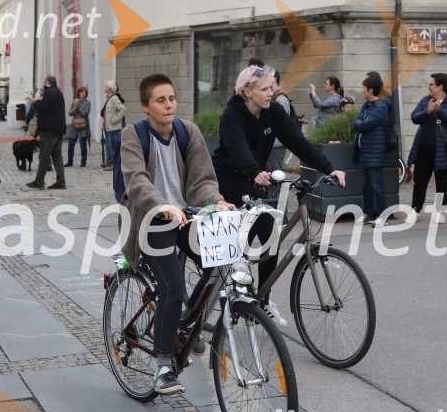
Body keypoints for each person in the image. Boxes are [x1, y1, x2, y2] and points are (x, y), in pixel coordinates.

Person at [212, 65, 346, 327]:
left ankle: (262, 302)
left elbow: (298, 142)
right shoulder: (233, 113)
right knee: (254, 227)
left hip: (256, 175)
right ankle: (235, 281)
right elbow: (237, 148)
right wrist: (254, 172)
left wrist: (329, 168)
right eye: (264, 89)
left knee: (269, 230)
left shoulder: (272, 112)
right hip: (229, 176)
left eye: (271, 87)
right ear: (247, 91)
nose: (270, 93)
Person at [121, 73, 230, 394]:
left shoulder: (187, 131)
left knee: (218, 265)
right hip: (151, 221)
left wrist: (217, 200)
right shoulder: (133, 135)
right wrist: (161, 205)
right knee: (172, 286)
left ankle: (184, 325)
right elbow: (136, 180)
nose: (169, 105)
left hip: (187, 216)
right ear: (145, 106)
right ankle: (164, 365)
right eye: (160, 100)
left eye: (171, 98)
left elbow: (201, 180)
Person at [407, 73, 447, 223]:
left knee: (442, 181)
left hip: (443, 149)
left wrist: (439, 110)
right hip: (423, 148)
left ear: (440, 87)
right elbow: (414, 118)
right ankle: (415, 210)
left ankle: (440, 211)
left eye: (431, 84)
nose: (428, 87)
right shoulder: (426, 100)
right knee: (420, 181)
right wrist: (428, 111)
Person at [353, 75, 391, 227]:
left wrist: (360, 123)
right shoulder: (366, 105)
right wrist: (360, 122)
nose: (362, 91)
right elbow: (357, 122)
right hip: (365, 151)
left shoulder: (381, 107)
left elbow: (363, 125)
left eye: (364, 88)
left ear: (370, 90)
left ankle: (382, 216)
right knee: (366, 185)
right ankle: (368, 213)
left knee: (377, 186)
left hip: (375, 151)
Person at [26, 76, 66, 189]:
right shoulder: (58, 92)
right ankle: (61, 181)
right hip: (58, 129)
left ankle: (39, 181)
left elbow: (42, 108)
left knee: (44, 156)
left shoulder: (50, 93)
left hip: (49, 130)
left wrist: (37, 100)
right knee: (57, 156)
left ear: (47, 83)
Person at [267, 71, 291, 171]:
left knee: (275, 179)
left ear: (274, 79)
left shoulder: (280, 99)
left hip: (275, 146)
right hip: (271, 144)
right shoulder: (273, 97)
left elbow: (282, 125)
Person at [100, 80, 126, 171]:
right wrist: (104, 125)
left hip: (113, 128)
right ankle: (109, 162)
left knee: (112, 146)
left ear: (110, 88)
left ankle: (113, 164)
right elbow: (107, 114)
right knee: (108, 146)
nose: (104, 87)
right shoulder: (109, 98)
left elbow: (123, 110)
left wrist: (114, 121)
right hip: (109, 128)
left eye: (106, 86)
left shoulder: (114, 98)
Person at [66, 86, 91, 167]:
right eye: (81, 92)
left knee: (83, 146)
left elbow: (85, 114)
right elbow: (70, 113)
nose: (83, 93)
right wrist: (75, 108)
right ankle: (70, 161)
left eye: (84, 92)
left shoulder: (88, 103)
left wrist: (78, 108)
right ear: (79, 93)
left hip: (83, 126)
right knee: (70, 145)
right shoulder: (74, 101)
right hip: (74, 127)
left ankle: (83, 162)